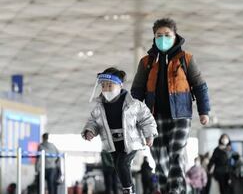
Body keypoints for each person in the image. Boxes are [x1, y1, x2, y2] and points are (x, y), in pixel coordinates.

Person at [131, 18, 211, 194]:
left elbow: (199, 86)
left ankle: (175, 190)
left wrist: (203, 111)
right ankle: (165, 189)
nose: (163, 38)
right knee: (159, 157)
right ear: (154, 38)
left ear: (175, 36)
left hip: (181, 115)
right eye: (159, 35)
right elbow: (137, 91)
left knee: (176, 152)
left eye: (167, 35)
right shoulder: (147, 62)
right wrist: (134, 117)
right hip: (154, 116)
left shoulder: (186, 59)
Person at [81, 67, 158, 194]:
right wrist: (90, 131)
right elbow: (93, 122)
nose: (106, 89)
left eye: (110, 86)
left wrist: (150, 135)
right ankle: (127, 188)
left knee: (122, 163)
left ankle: (128, 190)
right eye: (103, 86)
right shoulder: (100, 107)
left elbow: (147, 118)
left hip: (130, 142)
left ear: (120, 85)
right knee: (118, 166)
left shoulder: (133, 104)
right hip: (113, 144)